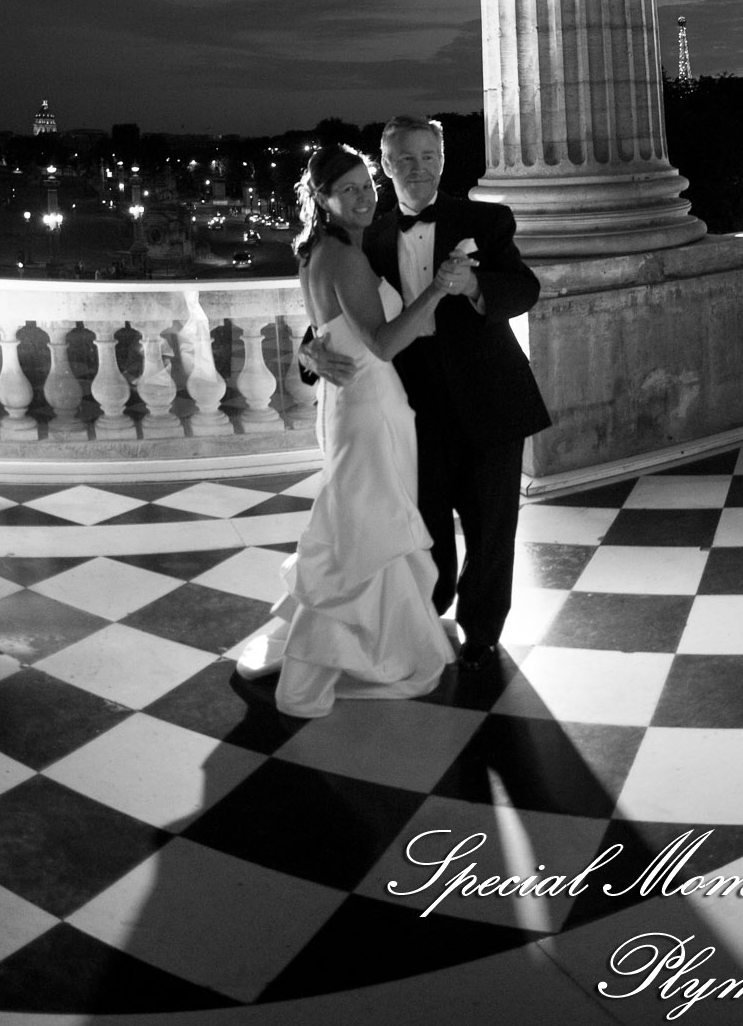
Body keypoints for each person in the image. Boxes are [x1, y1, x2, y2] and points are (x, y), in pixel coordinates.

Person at [308, 115, 548, 673]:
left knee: (491, 529)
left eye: (427, 156)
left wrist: (477, 286)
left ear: (442, 160)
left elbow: (526, 289)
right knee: (426, 524)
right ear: (387, 165)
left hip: (489, 397)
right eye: (404, 159)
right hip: (411, 407)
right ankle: (425, 621)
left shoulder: (485, 219)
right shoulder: (367, 236)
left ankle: (482, 634)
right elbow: (340, 313)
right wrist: (308, 352)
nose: (417, 168)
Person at [233, 143, 457, 718]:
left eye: (366, 185)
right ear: (323, 198)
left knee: (361, 525)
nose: (363, 197)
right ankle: (334, 663)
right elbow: (382, 344)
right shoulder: (345, 257)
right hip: (369, 407)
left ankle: (385, 638)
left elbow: (326, 330)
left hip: (345, 401)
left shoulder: (317, 250)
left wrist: (311, 350)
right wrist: (438, 288)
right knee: (370, 531)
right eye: (348, 189)